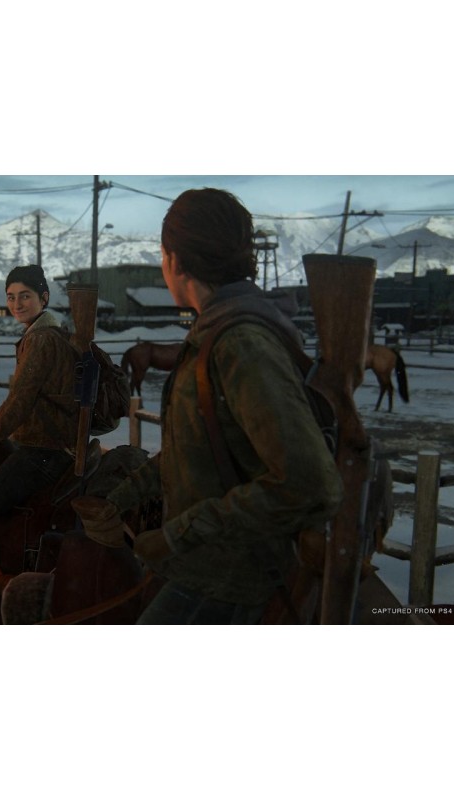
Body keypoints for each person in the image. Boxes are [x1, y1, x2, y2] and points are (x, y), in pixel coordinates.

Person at [73, 188, 344, 624]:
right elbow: (194, 450)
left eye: (163, 254)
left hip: (230, 580)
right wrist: (122, 497)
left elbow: (308, 482)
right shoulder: (219, 331)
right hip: (207, 568)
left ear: (176, 260)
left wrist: (175, 535)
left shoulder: (239, 343)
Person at [0, 264, 78, 565]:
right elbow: (31, 398)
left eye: (25, 295)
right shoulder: (49, 334)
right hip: (51, 444)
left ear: (44, 297)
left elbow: (21, 400)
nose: (17, 304)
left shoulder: (40, 339)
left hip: (44, 451)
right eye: (11, 296)